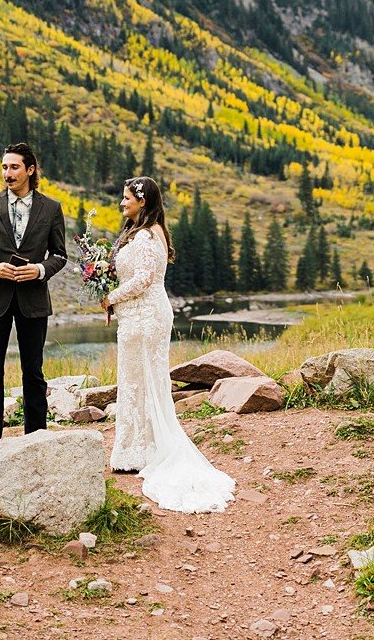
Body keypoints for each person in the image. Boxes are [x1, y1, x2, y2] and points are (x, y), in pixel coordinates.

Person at [104, 176, 234, 513]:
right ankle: (135, 449)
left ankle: (148, 450)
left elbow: (145, 278)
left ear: (142, 201)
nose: (122, 203)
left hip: (147, 317)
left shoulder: (148, 234)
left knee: (146, 380)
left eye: (126, 198)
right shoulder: (137, 232)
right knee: (134, 381)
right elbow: (131, 270)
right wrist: (104, 271)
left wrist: (111, 297)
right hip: (134, 317)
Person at [0, 142, 67, 443]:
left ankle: (36, 439)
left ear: (29, 170)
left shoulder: (52, 208)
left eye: (14, 167)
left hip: (33, 301)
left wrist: (40, 270)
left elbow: (60, 255)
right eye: (4, 167)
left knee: (33, 372)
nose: (7, 173)